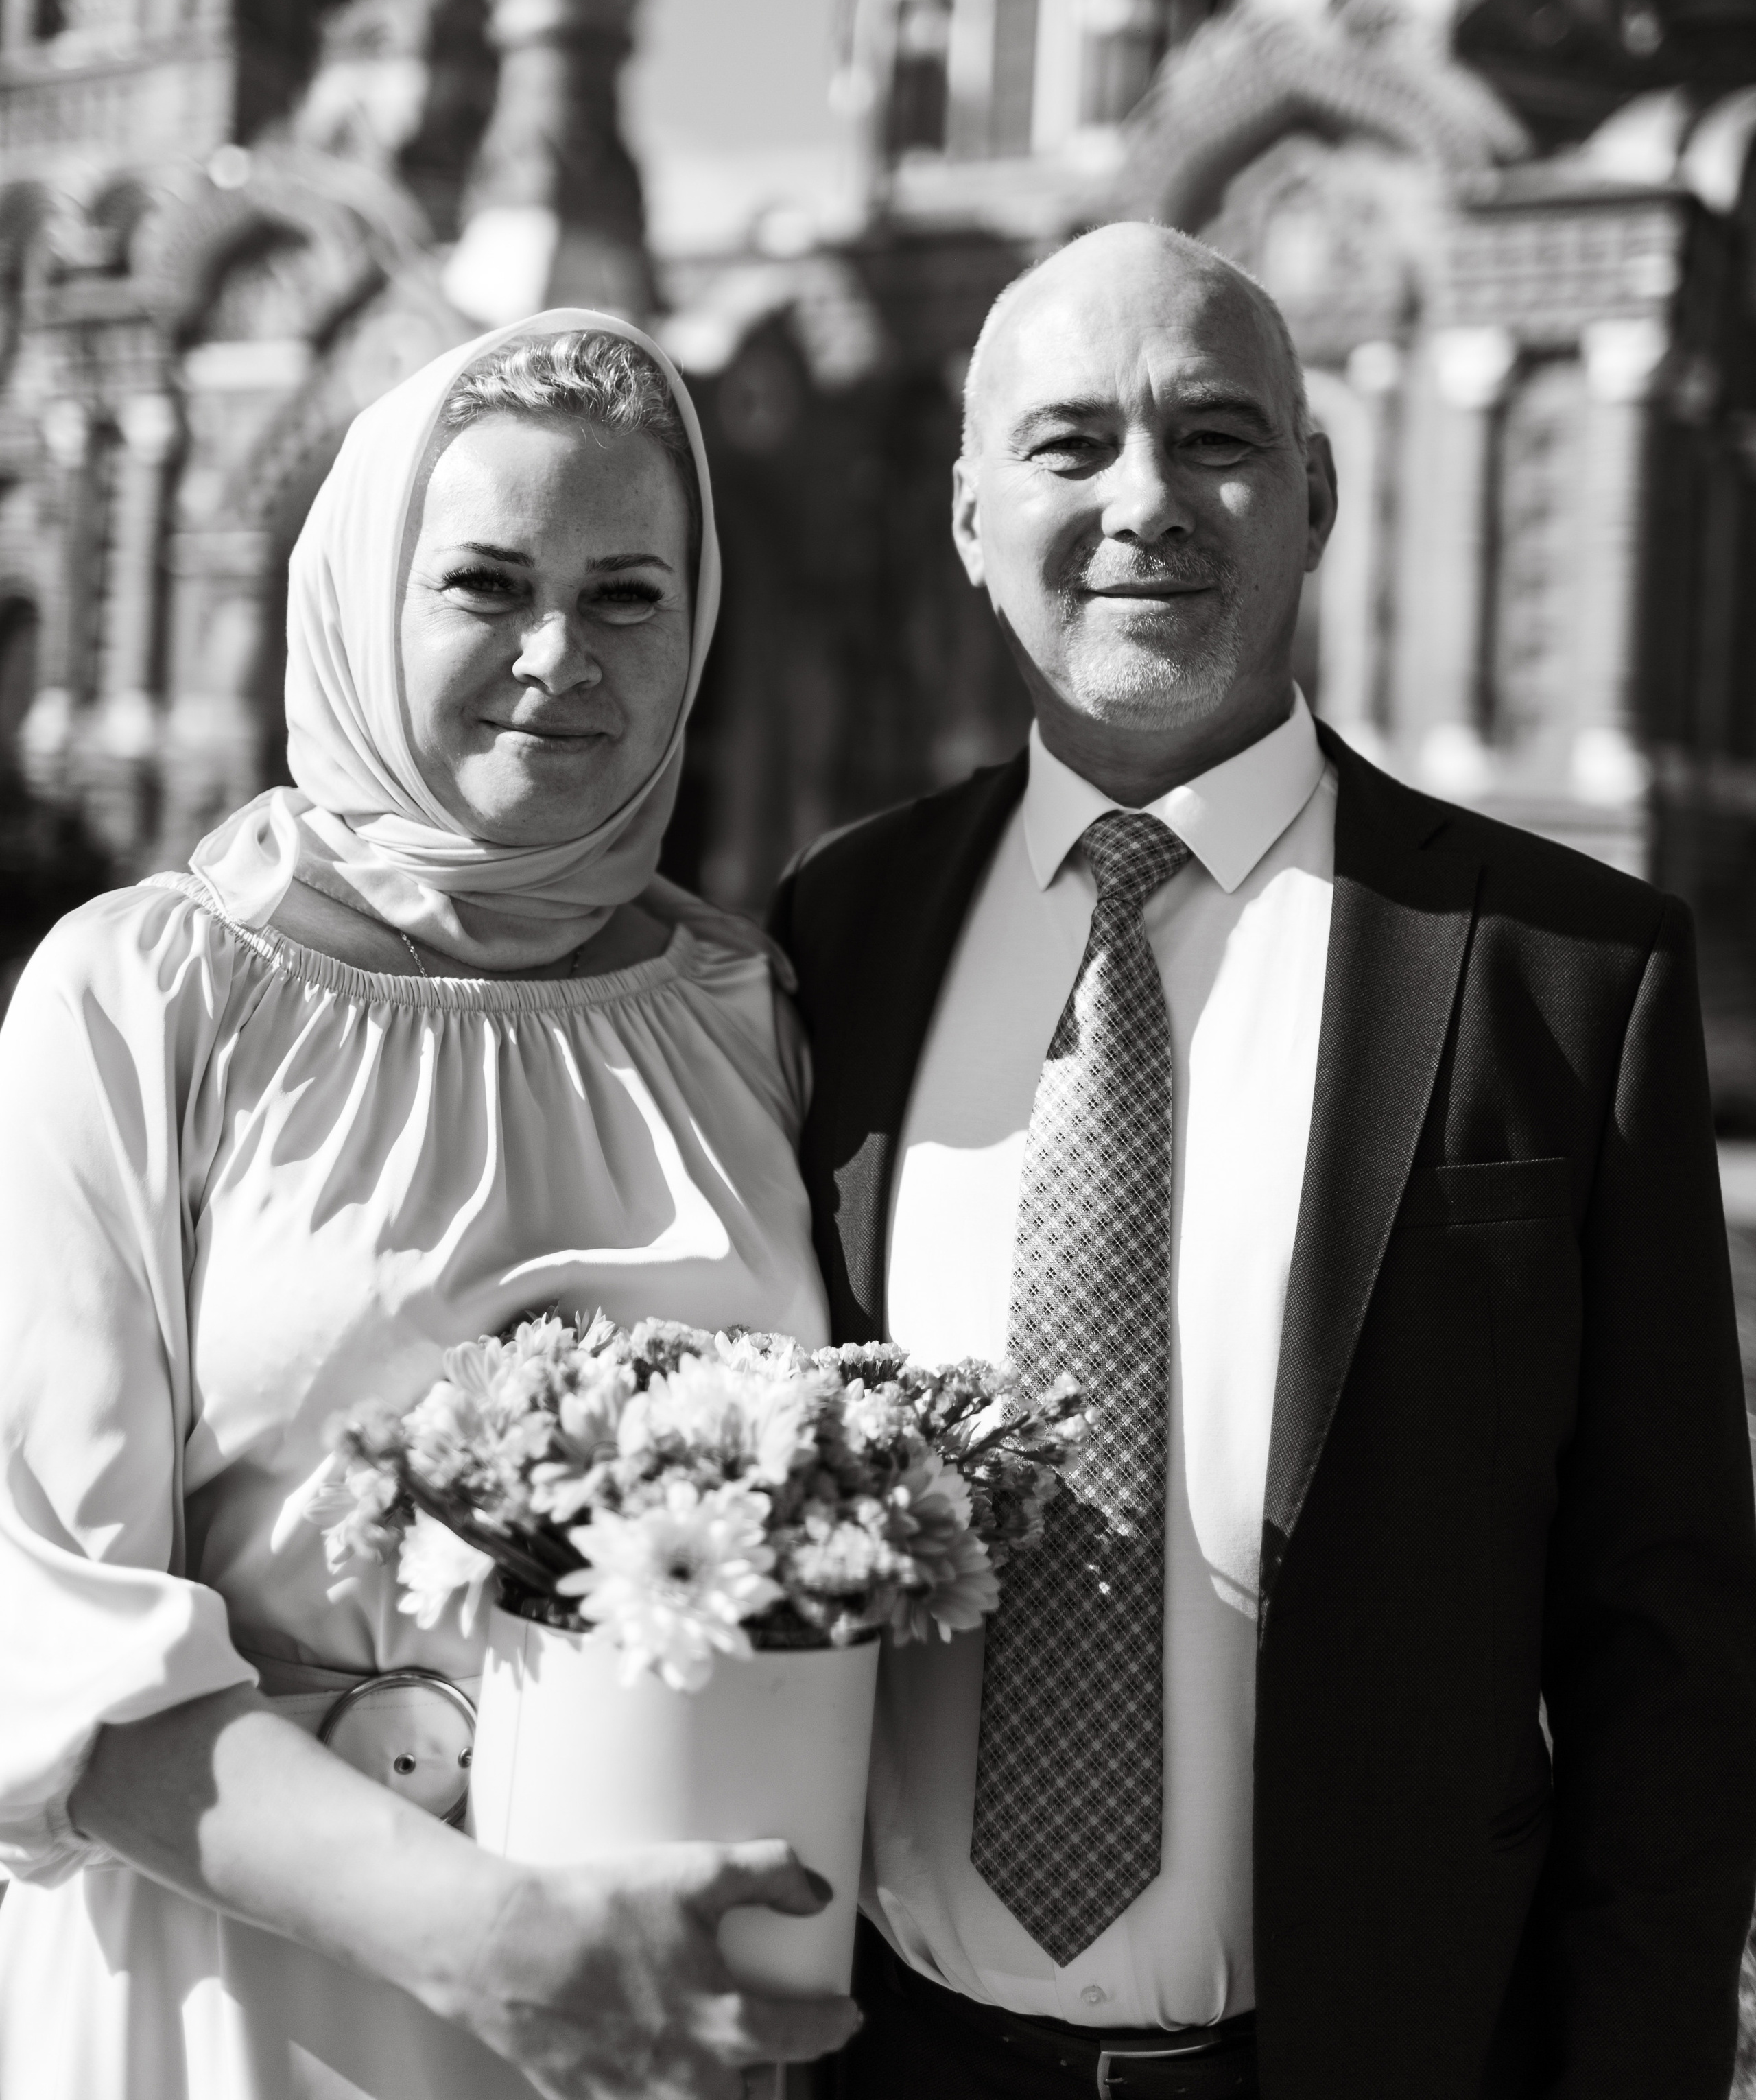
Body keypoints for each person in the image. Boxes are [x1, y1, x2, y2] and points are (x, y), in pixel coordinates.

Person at [770, 224, 1756, 2100]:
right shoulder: (842, 927)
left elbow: (1669, 1643)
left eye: (1215, 437)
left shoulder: (1562, 969)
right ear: (970, 518)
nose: (1145, 499)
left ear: (1312, 496)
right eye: (1069, 445)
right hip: (890, 2060)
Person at [0, 311, 859, 2100]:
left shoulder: (750, 1015)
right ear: (358, 595)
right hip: (238, 1996)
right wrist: (482, 1938)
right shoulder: (143, 998)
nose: (560, 654)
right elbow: (41, 1618)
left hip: (657, 2016)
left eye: (628, 595)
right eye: (485, 582)